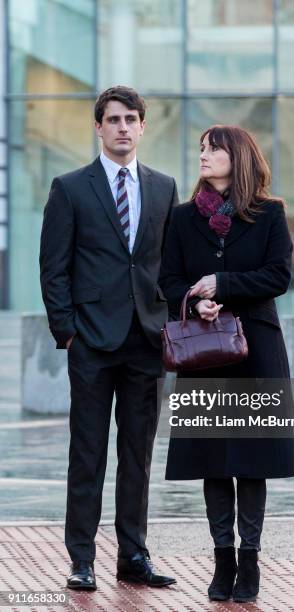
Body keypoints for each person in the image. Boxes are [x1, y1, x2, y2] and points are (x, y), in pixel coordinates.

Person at [39, 86, 178, 591]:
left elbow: (170, 264)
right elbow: (54, 268)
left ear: (143, 127)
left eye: (131, 119)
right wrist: (68, 333)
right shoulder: (70, 188)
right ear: (98, 127)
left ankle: (133, 556)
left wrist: (173, 318)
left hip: (145, 339)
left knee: (137, 456)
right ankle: (82, 559)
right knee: (88, 454)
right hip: (92, 343)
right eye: (113, 119)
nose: (122, 127)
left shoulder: (164, 187)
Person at [159, 125, 294, 603]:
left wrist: (222, 285)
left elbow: (278, 274)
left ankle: (251, 562)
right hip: (204, 352)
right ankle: (223, 560)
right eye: (200, 147)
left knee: (251, 459)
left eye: (212, 148)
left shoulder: (269, 213)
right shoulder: (181, 217)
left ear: (236, 156)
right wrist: (193, 302)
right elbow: (169, 277)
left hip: (256, 346)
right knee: (213, 459)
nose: (203, 155)